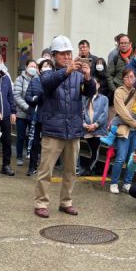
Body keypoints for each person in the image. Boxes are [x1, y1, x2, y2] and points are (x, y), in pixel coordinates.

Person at [32, 35, 95, 218]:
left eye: (69, 53)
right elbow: (47, 85)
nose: (67, 57)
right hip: (53, 129)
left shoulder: (78, 75)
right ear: (53, 56)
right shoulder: (48, 73)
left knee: (70, 171)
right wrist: (66, 72)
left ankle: (66, 202)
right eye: (62, 54)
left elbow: (90, 93)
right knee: (46, 170)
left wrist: (88, 77)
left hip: (73, 128)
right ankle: (41, 203)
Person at [108, 68, 136, 193]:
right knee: (121, 158)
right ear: (123, 78)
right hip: (124, 129)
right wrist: (134, 123)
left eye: (132, 77)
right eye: (127, 77)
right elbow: (122, 112)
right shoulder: (119, 91)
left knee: (133, 159)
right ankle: (114, 183)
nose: (129, 79)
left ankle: (127, 182)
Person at [24, 59, 52, 176]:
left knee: (48, 145)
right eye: (45, 66)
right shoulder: (34, 81)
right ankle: (32, 166)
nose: (47, 68)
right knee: (34, 143)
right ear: (39, 70)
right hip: (36, 117)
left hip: (50, 118)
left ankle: (46, 169)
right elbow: (27, 97)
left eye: (50, 66)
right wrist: (35, 99)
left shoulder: (54, 82)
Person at [80, 77, 108, 176]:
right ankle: (96, 168)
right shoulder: (84, 98)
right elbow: (80, 113)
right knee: (92, 150)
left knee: (96, 150)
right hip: (87, 128)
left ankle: (88, 169)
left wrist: (96, 125)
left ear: (99, 85)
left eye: (95, 83)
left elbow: (104, 114)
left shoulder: (104, 99)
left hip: (99, 130)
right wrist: (84, 124)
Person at [14, 59, 39, 166]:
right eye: (31, 66)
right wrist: (28, 108)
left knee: (33, 137)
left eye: (35, 67)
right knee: (20, 136)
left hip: (34, 114)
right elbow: (17, 96)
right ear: (26, 67)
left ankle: (33, 157)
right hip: (22, 113)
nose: (33, 68)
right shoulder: (20, 79)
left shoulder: (38, 80)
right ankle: (19, 156)